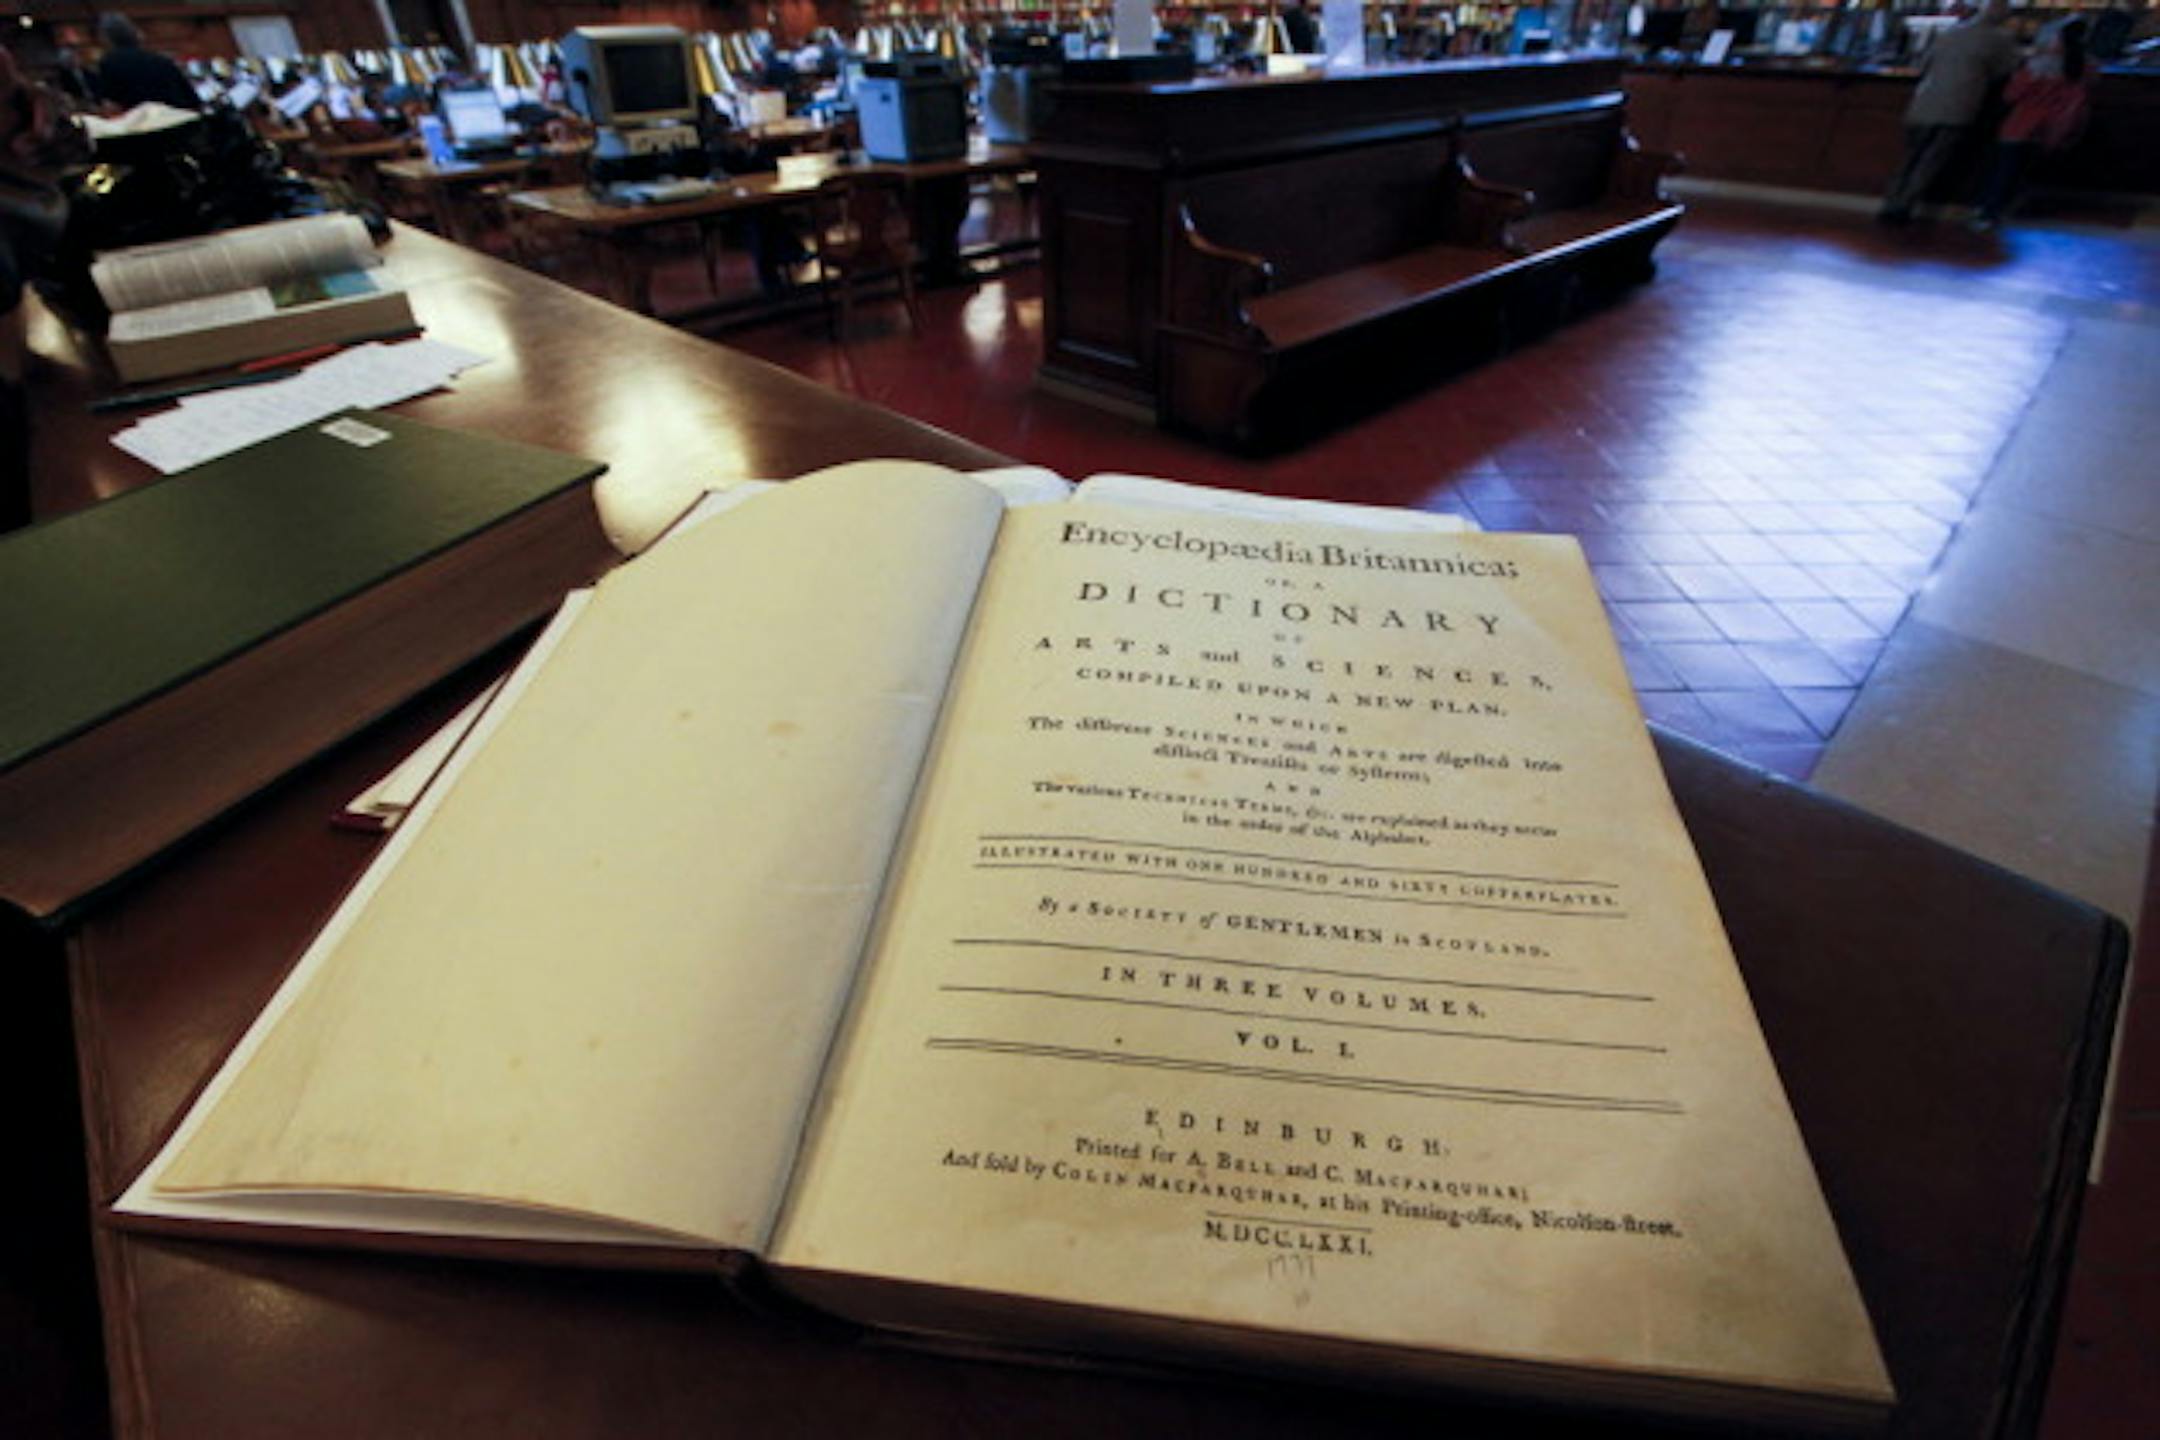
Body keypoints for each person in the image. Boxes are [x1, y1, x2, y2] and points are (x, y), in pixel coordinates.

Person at [1878, 0, 2018, 226]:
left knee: (1910, 157)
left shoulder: (1951, 33)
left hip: (1924, 101)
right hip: (1959, 106)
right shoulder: (2000, 39)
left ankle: (1890, 202)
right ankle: (1903, 206)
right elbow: (2005, 73)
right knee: (1930, 160)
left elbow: (1924, 64)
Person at [1972, 19, 2093, 230]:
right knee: (2020, 174)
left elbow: (2011, 95)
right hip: (2050, 129)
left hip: (2019, 126)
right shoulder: (2081, 68)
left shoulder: (2036, 68)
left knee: (2002, 171)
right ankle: (2006, 209)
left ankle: (1987, 212)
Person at [93, 12, 202, 113]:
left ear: (105, 38)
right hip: (183, 122)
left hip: (148, 127)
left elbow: (111, 105)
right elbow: (192, 99)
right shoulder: (161, 60)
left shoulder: (109, 62)